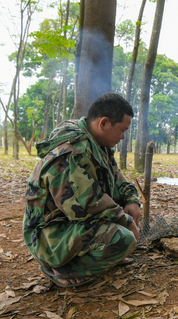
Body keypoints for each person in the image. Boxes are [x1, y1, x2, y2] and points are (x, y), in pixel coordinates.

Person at [23, 92, 142, 288]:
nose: (123, 137)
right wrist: (125, 221)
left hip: (72, 222)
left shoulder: (98, 144)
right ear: (103, 123)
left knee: (125, 222)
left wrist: (132, 200)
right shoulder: (72, 152)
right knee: (125, 238)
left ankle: (102, 252)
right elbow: (86, 204)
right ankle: (62, 267)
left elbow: (117, 179)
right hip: (49, 233)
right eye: (122, 130)